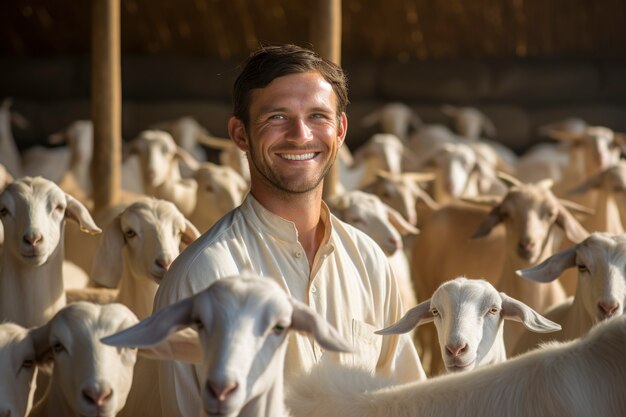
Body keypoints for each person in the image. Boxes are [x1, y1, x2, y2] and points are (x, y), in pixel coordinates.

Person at [153, 43, 425, 416]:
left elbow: (404, 400)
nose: (300, 135)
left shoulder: (370, 261)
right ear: (240, 134)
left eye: (317, 116)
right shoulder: (202, 275)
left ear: (341, 129)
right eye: (276, 117)